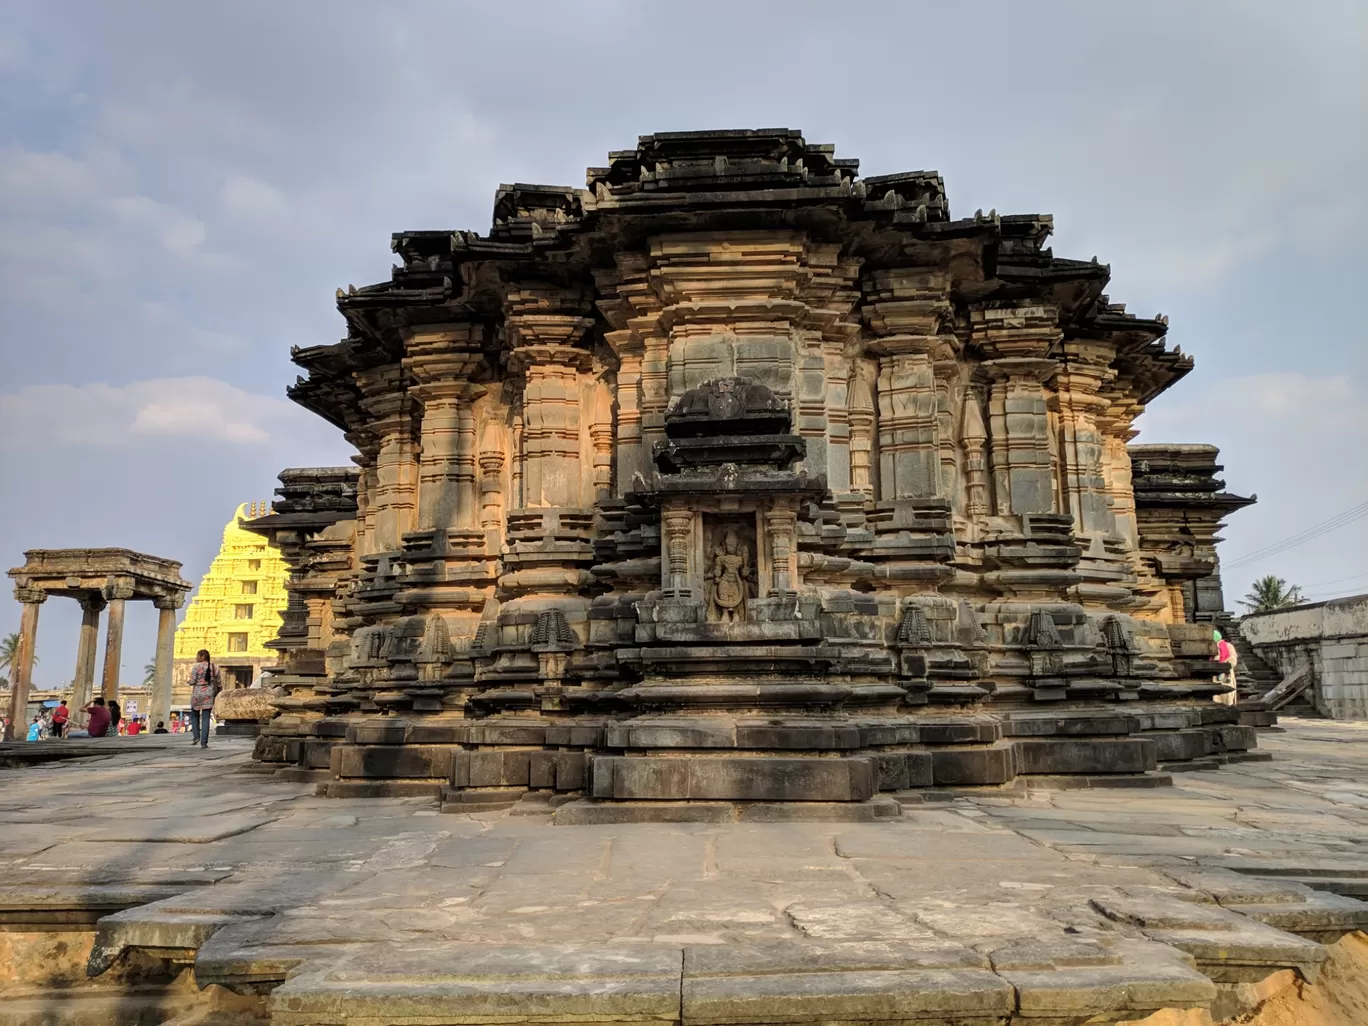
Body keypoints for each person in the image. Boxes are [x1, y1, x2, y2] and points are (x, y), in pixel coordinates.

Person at [187, 648, 222, 749]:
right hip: (209, 695)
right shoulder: (215, 667)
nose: (196, 658)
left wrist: (187, 682)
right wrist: (218, 693)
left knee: (194, 716)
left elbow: (192, 681)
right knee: (206, 719)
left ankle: (196, 736)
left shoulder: (196, 667)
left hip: (197, 694)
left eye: (197, 656)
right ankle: (204, 742)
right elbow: (219, 683)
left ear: (202, 657)